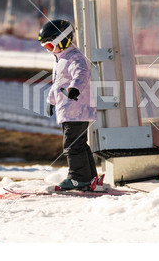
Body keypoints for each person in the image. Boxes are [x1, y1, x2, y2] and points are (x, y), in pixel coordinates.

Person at [38, 19, 98, 190]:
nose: (49, 51)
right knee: (79, 144)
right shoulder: (61, 59)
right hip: (69, 110)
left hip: (76, 109)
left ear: (62, 40)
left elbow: (82, 73)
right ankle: (90, 176)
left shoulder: (75, 57)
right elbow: (57, 84)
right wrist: (51, 101)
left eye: (50, 46)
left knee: (71, 145)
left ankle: (78, 178)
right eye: (46, 48)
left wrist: (74, 88)